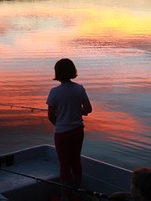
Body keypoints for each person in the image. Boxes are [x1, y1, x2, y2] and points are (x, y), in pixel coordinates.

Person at [47, 58, 93, 201]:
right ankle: (76, 192)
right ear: (73, 71)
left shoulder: (54, 92)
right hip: (78, 131)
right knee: (76, 161)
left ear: (57, 73)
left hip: (62, 133)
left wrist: (59, 123)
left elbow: (50, 115)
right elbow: (88, 109)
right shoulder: (79, 88)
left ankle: (65, 197)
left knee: (64, 164)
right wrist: (77, 111)